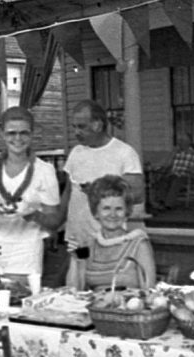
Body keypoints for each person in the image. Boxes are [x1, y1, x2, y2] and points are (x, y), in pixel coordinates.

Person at [57, 100, 144, 288]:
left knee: (104, 289)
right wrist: (57, 222)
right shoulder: (76, 153)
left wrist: (100, 191)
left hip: (108, 239)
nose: (76, 132)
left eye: (81, 126)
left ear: (98, 125)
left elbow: (136, 194)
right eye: (74, 127)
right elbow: (68, 192)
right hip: (77, 238)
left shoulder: (124, 153)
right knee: (74, 290)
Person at [0, 107, 62, 294]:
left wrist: (31, 214)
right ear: (2, 135)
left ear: (32, 134)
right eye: (11, 133)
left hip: (27, 250)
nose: (18, 138)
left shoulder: (44, 170)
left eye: (24, 133)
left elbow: (54, 222)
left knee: (20, 306)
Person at [66, 175, 155, 291]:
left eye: (119, 209)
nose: (112, 214)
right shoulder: (87, 244)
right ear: (96, 212)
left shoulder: (139, 244)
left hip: (129, 306)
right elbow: (73, 291)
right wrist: (74, 258)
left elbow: (149, 291)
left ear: (127, 212)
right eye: (106, 208)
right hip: (94, 306)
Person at [149, 134, 194, 212]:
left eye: (182, 141)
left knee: (177, 181)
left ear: (188, 142)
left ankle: (168, 205)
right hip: (174, 174)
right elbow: (168, 164)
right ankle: (161, 202)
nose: (179, 143)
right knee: (164, 179)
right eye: (179, 141)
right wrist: (172, 154)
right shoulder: (176, 153)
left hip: (187, 175)